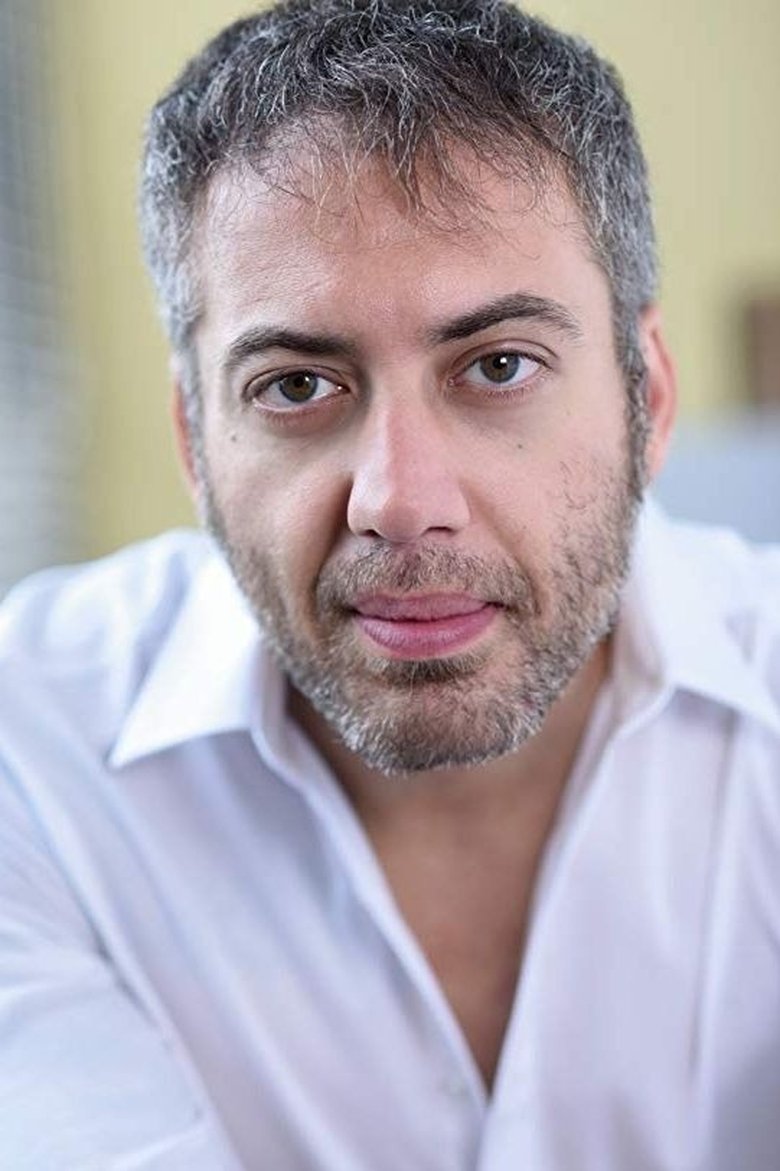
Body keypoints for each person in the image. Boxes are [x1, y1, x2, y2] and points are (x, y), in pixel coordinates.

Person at [1, 0, 779, 1167]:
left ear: (649, 397)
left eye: (499, 365)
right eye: (295, 386)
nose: (400, 499)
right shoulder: (28, 754)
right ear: (194, 439)